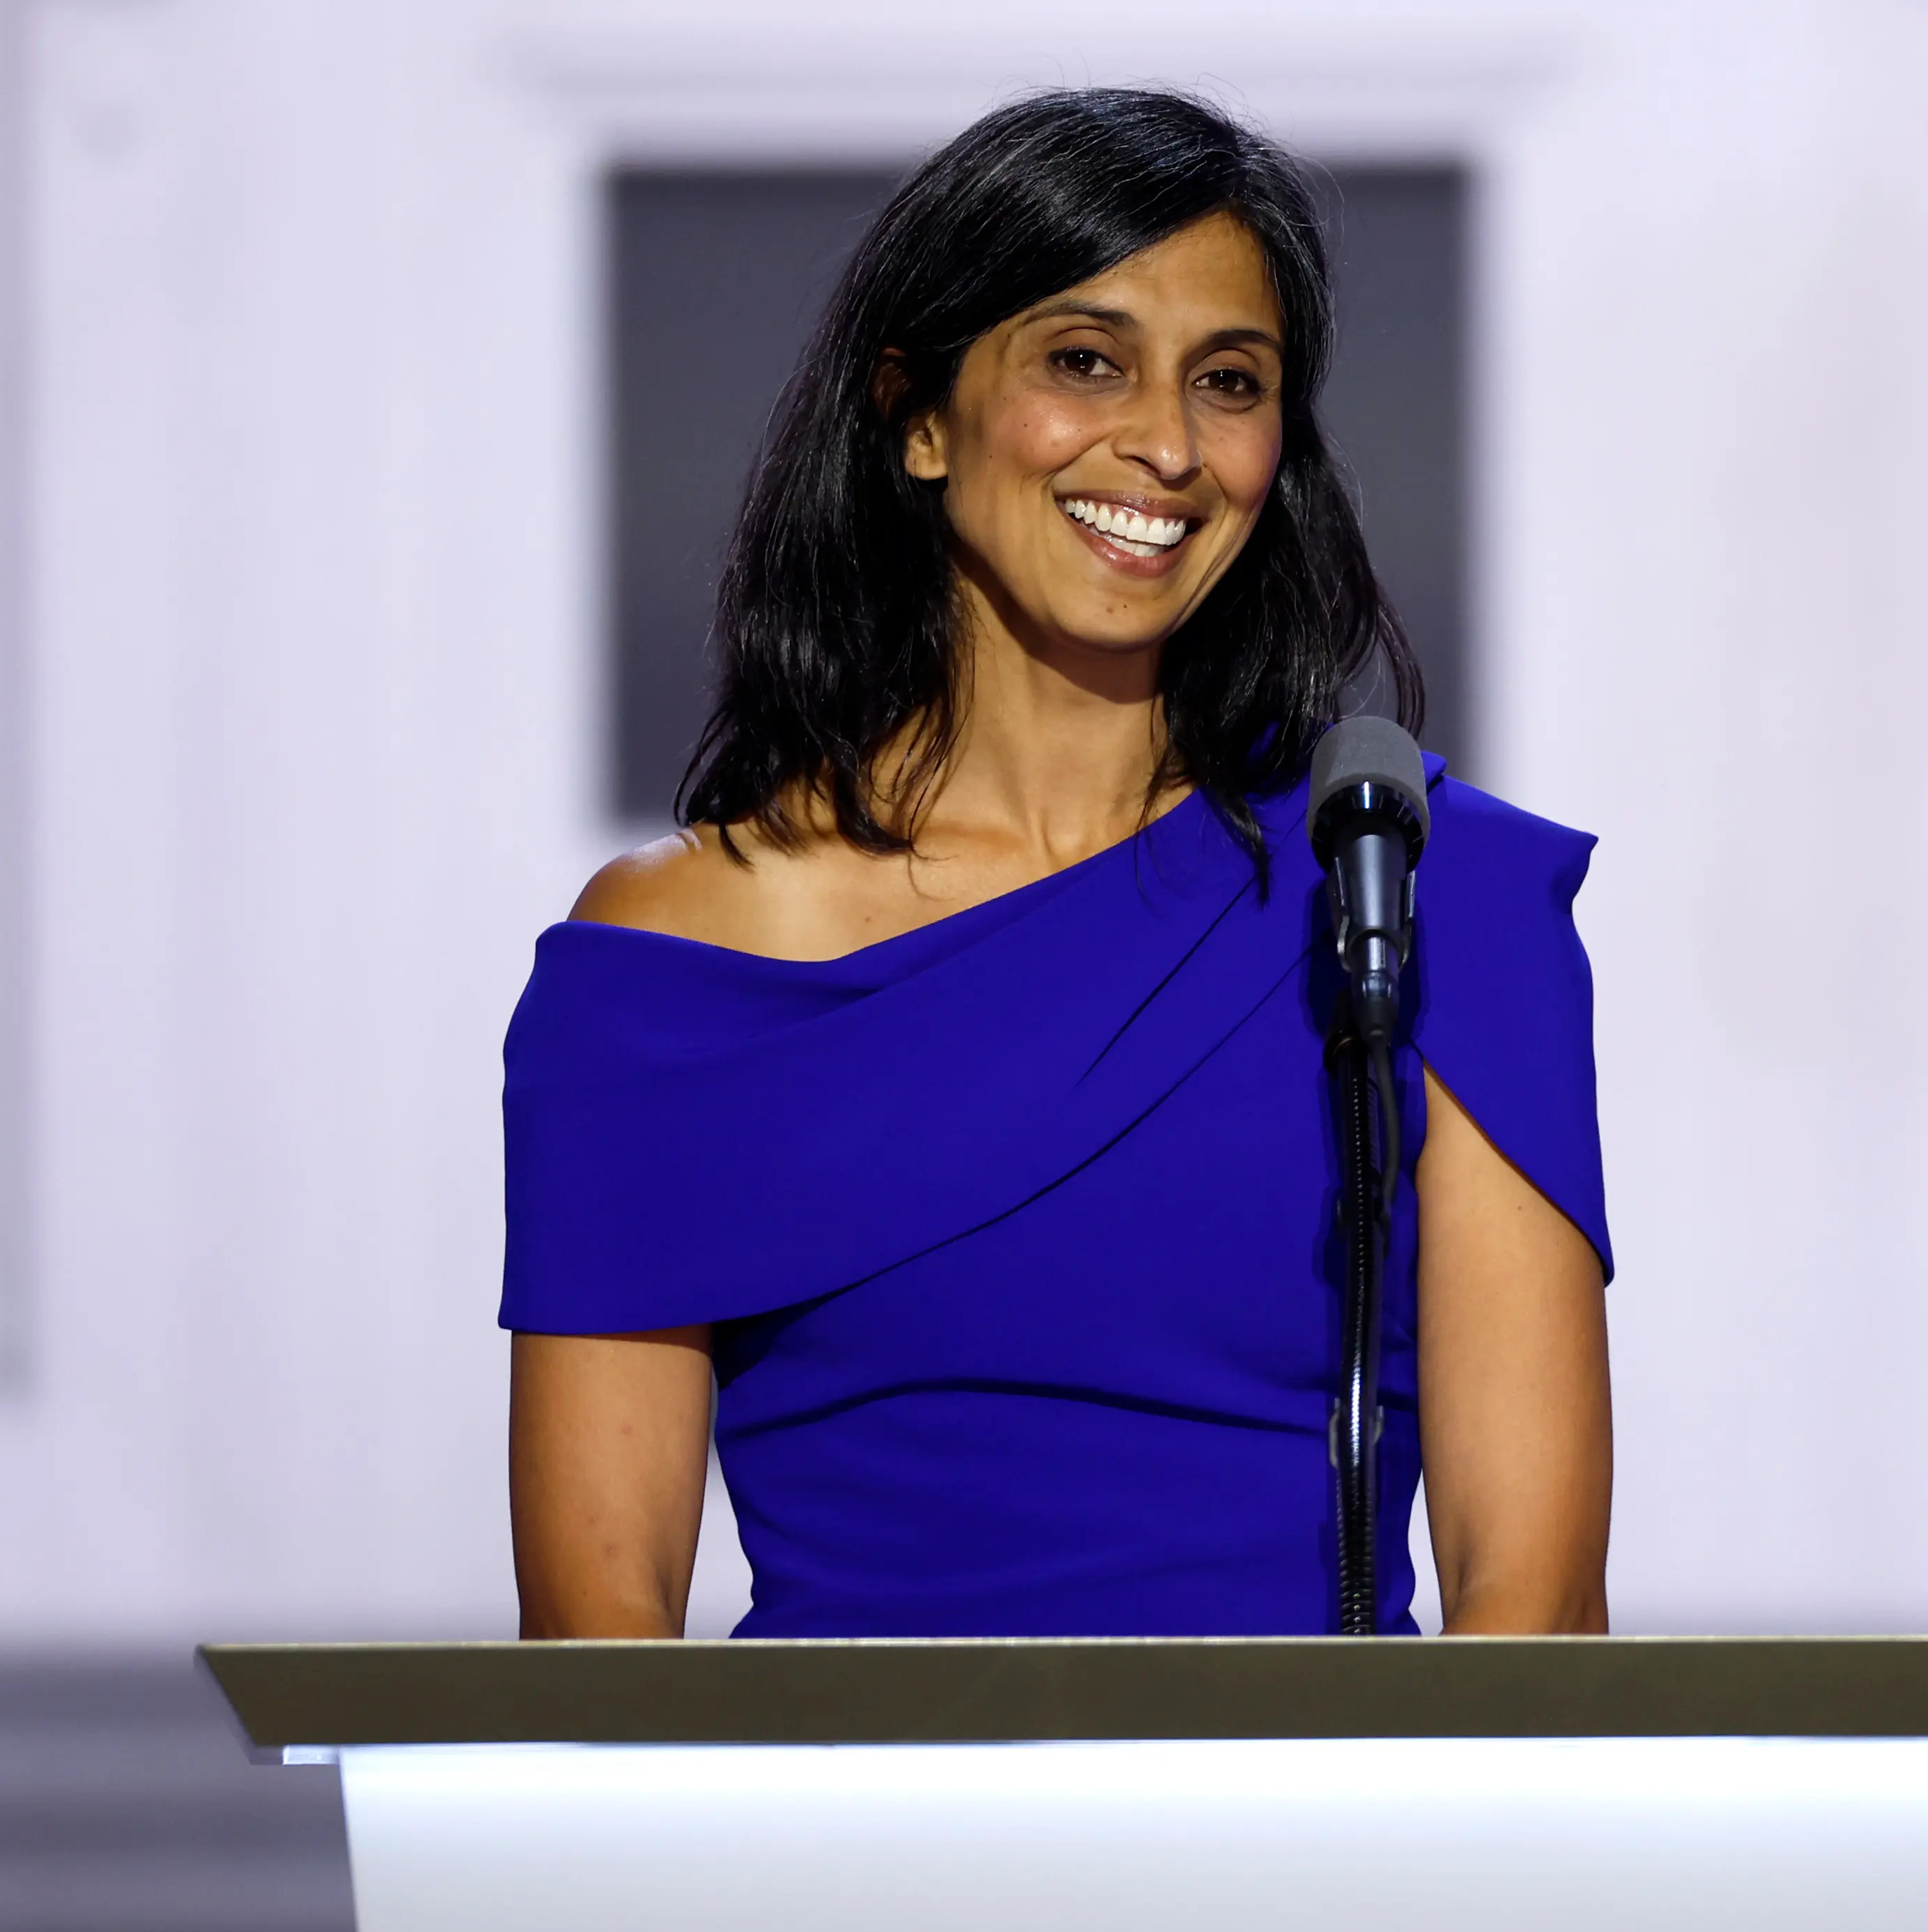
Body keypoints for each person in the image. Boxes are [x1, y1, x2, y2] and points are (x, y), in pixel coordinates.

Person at [503, 88, 1610, 1639]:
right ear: (916, 411)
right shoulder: (671, 969)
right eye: (1085, 362)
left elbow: (1537, 1606)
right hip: (830, 1866)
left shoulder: (1421, 891)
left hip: (1327, 1867)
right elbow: (593, 1656)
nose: (1163, 444)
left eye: (1229, 382)